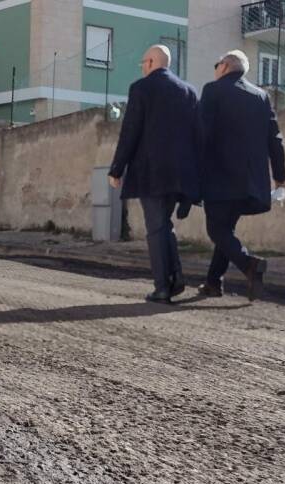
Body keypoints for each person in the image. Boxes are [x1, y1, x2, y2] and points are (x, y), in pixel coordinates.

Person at [109, 45, 202, 303]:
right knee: (164, 225)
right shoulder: (189, 91)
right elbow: (198, 136)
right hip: (180, 174)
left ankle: (162, 287)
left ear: (150, 62)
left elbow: (130, 131)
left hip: (150, 171)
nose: (142, 66)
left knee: (155, 229)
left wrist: (117, 169)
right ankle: (176, 278)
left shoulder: (141, 88)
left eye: (143, 62)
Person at [198, 50, 285, 301]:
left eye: (217, 64)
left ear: (225, 66)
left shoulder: (213, 90)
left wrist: (193, 171)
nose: (215, 69)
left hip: (219, 177)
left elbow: (201, 135)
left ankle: (249, 264)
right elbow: (275, 139)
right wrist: (280, 178)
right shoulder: (261, 96)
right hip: (250, 182)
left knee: (217, 230)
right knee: (226, 231)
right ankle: (213, 283)